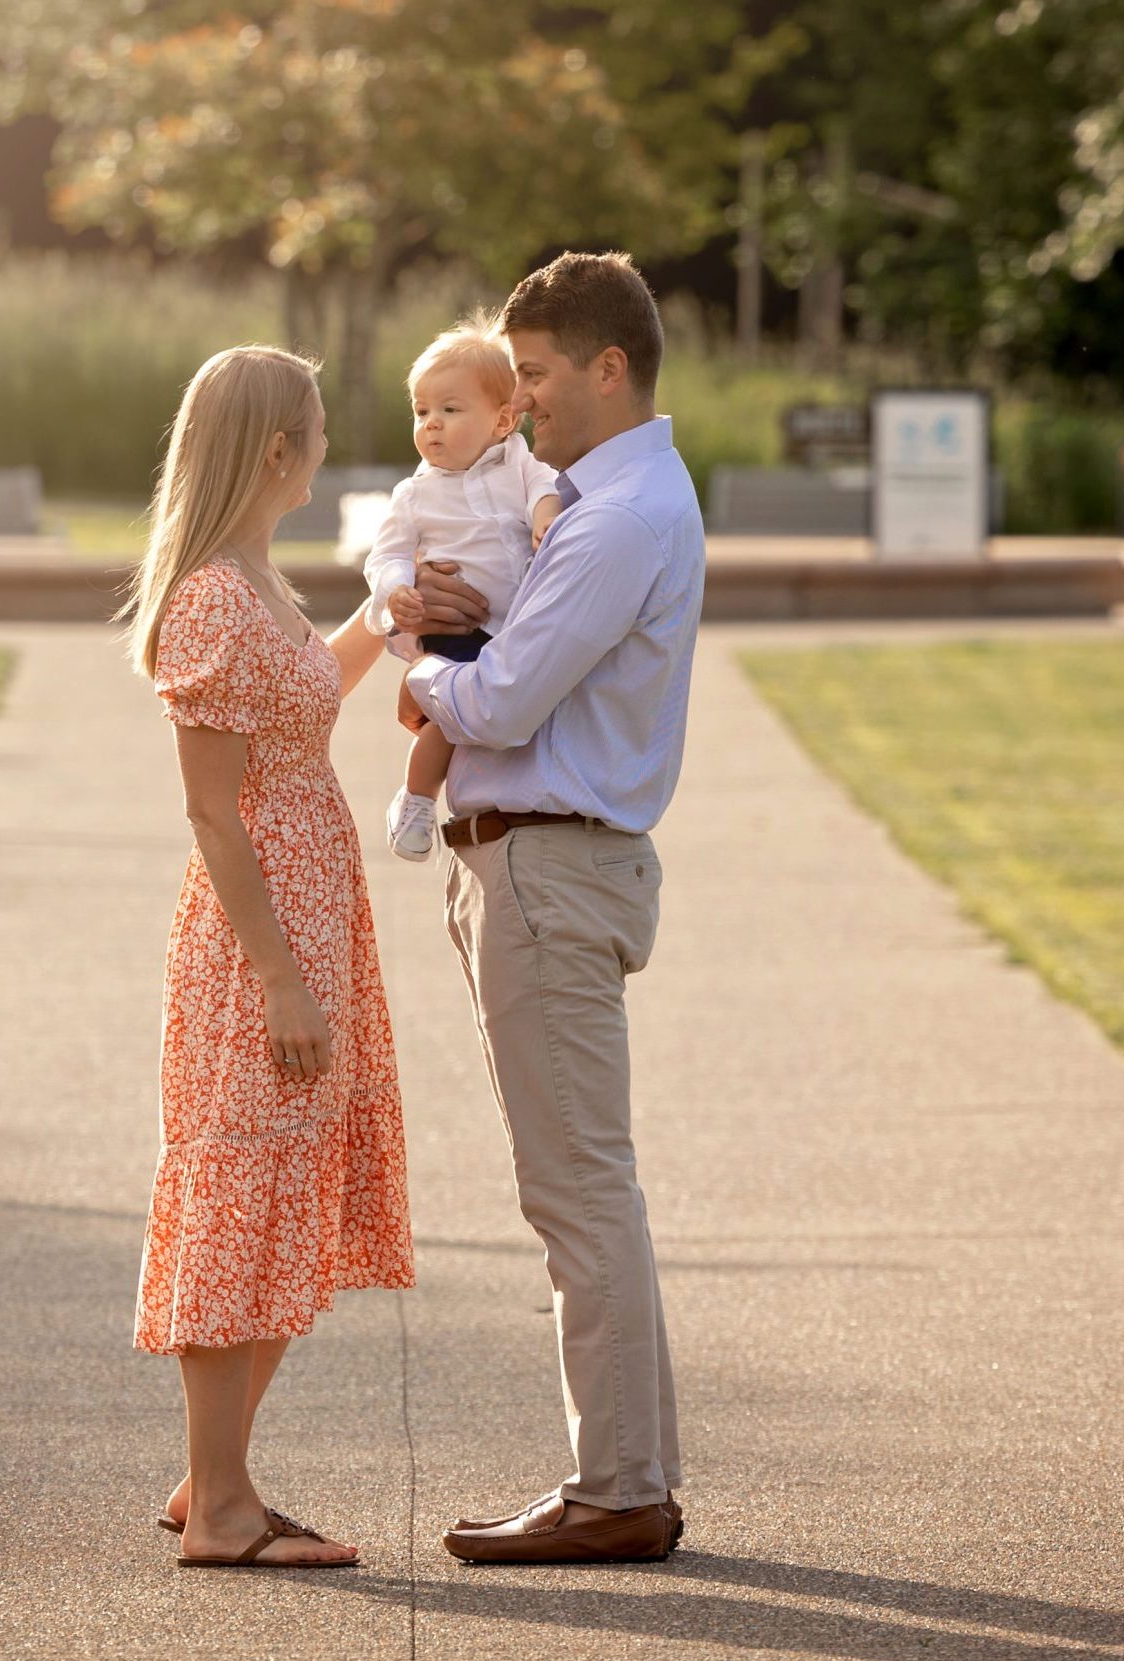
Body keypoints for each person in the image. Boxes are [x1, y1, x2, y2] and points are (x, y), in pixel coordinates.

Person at [392, 252, 705, 1565]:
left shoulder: (620, 512)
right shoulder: (594, 501)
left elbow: (504, 701)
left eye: (532, 375)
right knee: (589, 1186)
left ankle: (615, 1487)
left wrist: (417, 661)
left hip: (549, 865)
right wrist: (459, 619)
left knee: (576, 1189)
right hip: (540, 858)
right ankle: (629, 1475)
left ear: (607, 366)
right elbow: (520, 666)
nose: (519, 400)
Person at [123, 344, 416, 1569]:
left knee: (288, 1187)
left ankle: (213, 1482)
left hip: (308, 916)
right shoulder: (206, 596)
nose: (326, 448)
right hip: (259, 944)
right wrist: (283, 975)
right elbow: (210, 810)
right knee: (242, 1191)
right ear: (274, 450)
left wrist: (379, 623)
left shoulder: (254, 583)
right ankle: (226, 1506)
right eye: (315, 429)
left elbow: (301, 704)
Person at [362, 315, 564, 860]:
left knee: (508, 711)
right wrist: (399, 589)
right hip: (456, 628)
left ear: (502, 421)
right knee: (448, 724)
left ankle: (485, 796)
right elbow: (387, 554)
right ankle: (418, 798)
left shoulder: (518, 464)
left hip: (515, 626)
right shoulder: (414, 495)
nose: (431, 424)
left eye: (450, 411)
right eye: (421, 411)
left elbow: (545, 486)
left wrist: (545, 515)